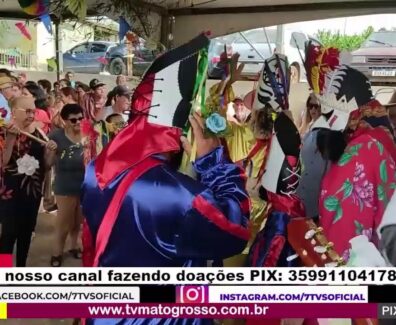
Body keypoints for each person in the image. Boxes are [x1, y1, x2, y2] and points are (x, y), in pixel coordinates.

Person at [82, 34, 250, 325]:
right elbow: (235, 232)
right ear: (179, 132)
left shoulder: (97, 170)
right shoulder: (180, 196)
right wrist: (215, 163)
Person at [0, 97, 57, 267]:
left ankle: (21, 271)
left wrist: (51, 152)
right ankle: (4, 270)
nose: (32, 115)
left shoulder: (40, 133)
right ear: (14, 112)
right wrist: (10, 138)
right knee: (8, 235)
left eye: (33, 111)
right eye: (27, 111)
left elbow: (46, 166)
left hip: (32, 192)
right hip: (9, 192)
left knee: (26, 234)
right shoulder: (3, 131)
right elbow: (3, 163)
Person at [47, 104, 85, 266]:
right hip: (65, 185)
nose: (78, 122)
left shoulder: (90, 135)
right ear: (64, 121)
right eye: (73, 119)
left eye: (81, 118)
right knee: (63, 222)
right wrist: (51, 152)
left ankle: (74, 245)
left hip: (85, 185)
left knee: (78, 221)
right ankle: (57, 252)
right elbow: (48, 164)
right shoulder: (56, 136)